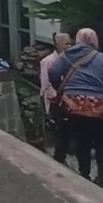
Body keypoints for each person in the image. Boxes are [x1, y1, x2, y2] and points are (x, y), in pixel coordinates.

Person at [49, 28, 103, 191]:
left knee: (82, 140)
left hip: (74, 106)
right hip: (100, 109)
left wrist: (61, 87)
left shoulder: (66, 56)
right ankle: (102, 177)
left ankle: (84, 174)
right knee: (102, 142)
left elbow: (53, 72)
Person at [39, 33, 74, 163]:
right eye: (66, 44)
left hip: (70, 99)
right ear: (57, 44)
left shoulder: (72, 59)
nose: (69, 46)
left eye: (70, 43)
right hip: (57, 100)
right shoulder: (48, 61)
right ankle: (60, 156)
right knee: (60, 129)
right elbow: (46, 85)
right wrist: (57, 97)